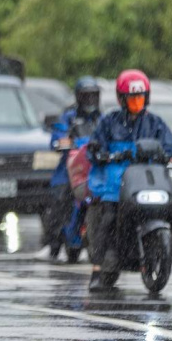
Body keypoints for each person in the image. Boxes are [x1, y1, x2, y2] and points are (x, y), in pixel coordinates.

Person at [86, 69, 172, 291]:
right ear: (122, 99)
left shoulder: (156, 123)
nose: (137, 103)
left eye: (140, 98)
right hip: (115, 183)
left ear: (146, 98)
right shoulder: (109, 121)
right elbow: (94, 147)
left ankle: (154, 253)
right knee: (108, 218)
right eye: (132, 98)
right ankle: (97, 269)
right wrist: (100, 153)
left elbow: (170, 146)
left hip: (148, 181)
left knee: (169, 206)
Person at [37, 76, 102, 261]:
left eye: (93, 96)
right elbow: (57, 138)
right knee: (60, 197)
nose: (90, 100)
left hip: (95, 169)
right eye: (86, 96)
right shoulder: (69, 116)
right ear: (78, 97)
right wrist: (65, 142)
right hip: (71, 170)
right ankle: (53, 243)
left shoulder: (102, 118)